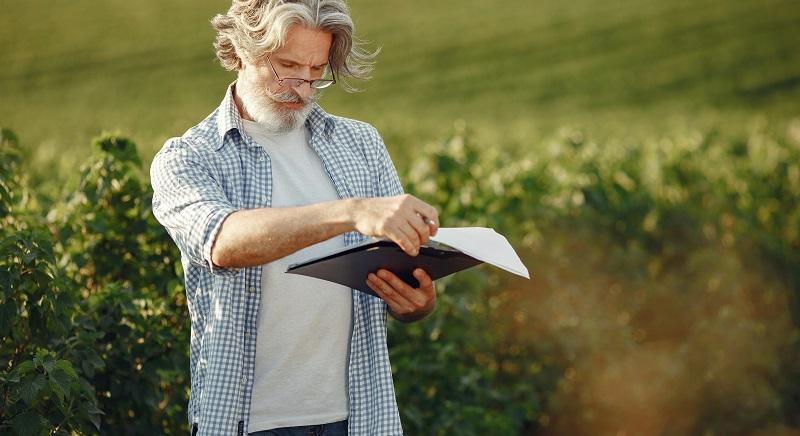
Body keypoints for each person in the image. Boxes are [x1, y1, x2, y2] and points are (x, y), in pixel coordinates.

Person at [150, 0, 440, 434]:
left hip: (360, 418)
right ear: (243, 50)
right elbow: (224, 242)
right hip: (247, 422)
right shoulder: (189, 157)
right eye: (287, 66)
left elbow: (396, 267)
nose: (302, 86)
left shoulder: (360, 144)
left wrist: (416, 303)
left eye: (316, 70)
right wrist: (352, 213)